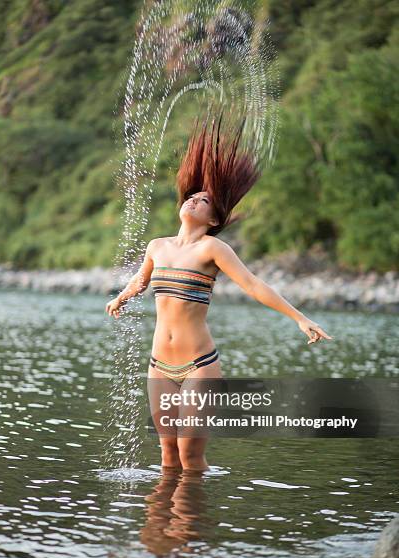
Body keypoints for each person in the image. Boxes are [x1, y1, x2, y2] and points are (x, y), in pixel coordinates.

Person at [105, 112, 333, 471]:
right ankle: (162, 527)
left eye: (204, 201)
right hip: (158, 366)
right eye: (192, 196)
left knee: (189, 455)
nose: (193, 200)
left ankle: (193, 524)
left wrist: (299, 318)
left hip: (199, 366)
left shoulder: (212, 249)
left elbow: (254, 285)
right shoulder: (157, 246)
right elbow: (142, 280)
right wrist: (121, 297)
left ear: (214, 220)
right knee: (166, 457)